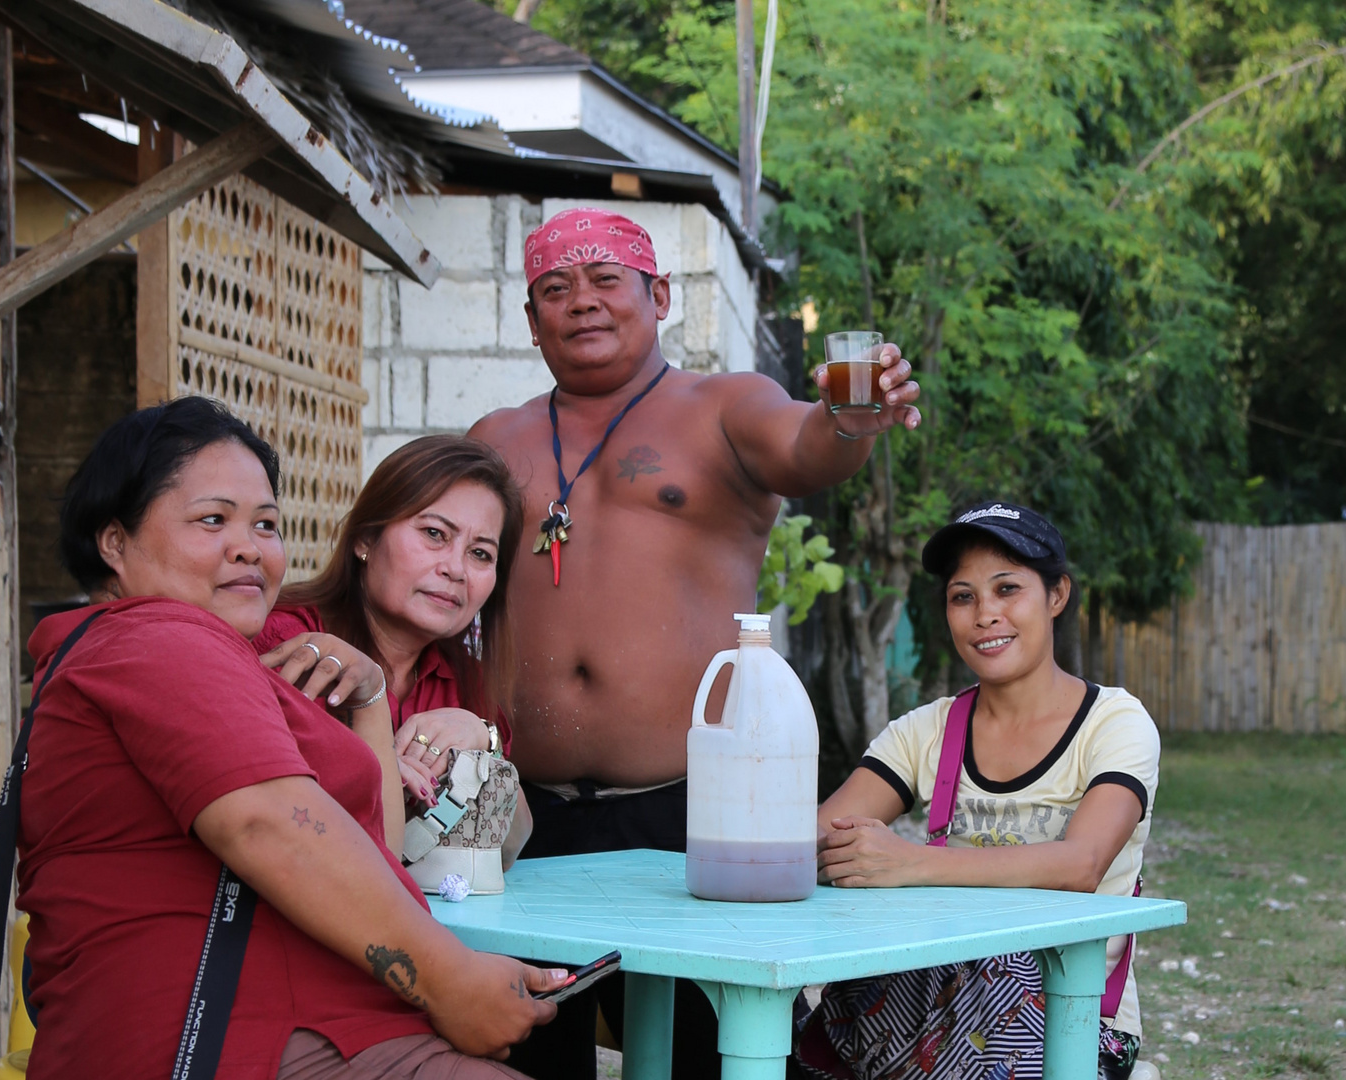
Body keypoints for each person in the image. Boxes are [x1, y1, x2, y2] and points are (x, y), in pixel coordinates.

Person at [468, 207, 922, 1080]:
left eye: (606, 280)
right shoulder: (495, 439)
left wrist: (847, 421)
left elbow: (807, 447)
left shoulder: (725, 407)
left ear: (660, 297)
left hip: (689, 807)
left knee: (700, 1053)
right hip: (521, 806)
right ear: (530, 319)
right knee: (524, 1047)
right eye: (555, 288)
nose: (582, 301)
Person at [18, 397, 563, 1080]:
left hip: (314, 1022)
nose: (248, 546)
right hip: (222, 1036)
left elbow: (381, 849)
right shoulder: (168, 639)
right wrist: (450, 981)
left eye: (266, 524)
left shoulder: (216, 648)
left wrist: (382, 706)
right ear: (114, 541)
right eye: (212, 520)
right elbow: (268, 824)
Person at [793, 502, 1158, 1080]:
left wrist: (910, 863)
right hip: (930, 1012)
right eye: (963, 597)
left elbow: (1081, 865)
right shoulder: (925, 731)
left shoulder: (1114, 722)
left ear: (1057, 595)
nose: (985, 614)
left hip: (1076, 1017)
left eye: (1007, 589)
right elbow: (811, 839)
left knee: (993, 968)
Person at [254, 435, 532, 864]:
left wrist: (484, 742)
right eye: (434, 534)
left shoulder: (467, 680)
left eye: (480, 553)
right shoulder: (288, 640)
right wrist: (367, 770)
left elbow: (512, 845)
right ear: (366, 538)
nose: (455, 569)